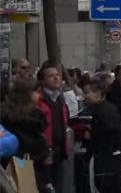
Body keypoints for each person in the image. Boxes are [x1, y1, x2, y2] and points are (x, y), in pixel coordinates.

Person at [82, 80, 121, 193]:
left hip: (106, 162)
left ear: (98, 94)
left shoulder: (104, 111)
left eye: (87, 93)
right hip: (108, 161)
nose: (85, 96)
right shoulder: (102, 108)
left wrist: (90, 134)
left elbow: (110, 134)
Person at [36, 62, 71, 193]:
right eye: (51, 76)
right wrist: (45, 150)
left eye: (57, 75)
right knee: (46, 186)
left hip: (60, 150)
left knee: (58, 185)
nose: (56, 78)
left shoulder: (60, 98)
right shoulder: (39, 100)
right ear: (42, 80)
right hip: (45, 152)